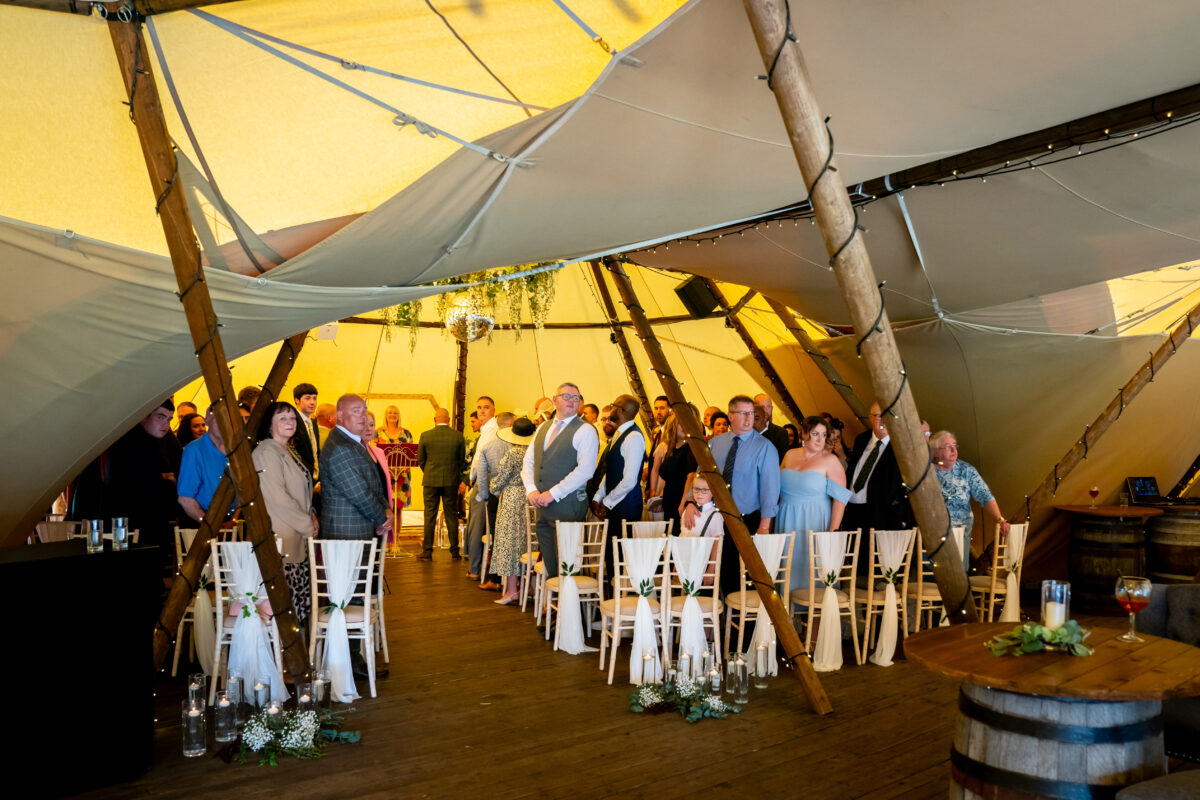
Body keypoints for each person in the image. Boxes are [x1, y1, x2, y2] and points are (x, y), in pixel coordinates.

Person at [689, 395, 779, 595]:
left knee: (736, 580)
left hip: (744, 520)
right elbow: (700, 475)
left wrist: (764, 526)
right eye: (743, 413)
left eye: (751, 414)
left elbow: (770, 490)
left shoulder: (764, 447)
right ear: (730, 416)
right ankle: (709, 622)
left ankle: (737, 623)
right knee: (705, 574)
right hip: (713, 517)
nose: (748, 418)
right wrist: (690, 502)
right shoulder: (715, 443)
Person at [522, 383, 599, 580]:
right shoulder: (543, 428)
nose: (572, 401)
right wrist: (531, 490)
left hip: (568, 505)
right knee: (550, 559)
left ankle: (569, 605)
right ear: (554, 400)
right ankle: (555, 599)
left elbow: (585, 470)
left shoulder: (585, 430)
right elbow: (529, 461)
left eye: (576, 397)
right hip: (542, 506)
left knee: (568, 562)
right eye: (566, 396)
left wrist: (553, 493)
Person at [252, 401, 317, 629]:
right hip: (281, 539)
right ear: (269, 424)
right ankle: (285, 660)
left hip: (296, 536)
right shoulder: (266, 452)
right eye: (282, 418)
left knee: (298, 607)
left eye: (292, 418)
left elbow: (301, 492)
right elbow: (278, 498)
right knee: (284, 610)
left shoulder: (288, 449)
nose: (290, 422)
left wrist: (313, 514)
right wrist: (307, 524)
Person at [777, 416, 852, 591]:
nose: (820, 439)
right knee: (788, 570)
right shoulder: (789, 455)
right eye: (815, 434)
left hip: (815, 521)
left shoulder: (830, 460)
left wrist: (832, 531)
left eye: (824, 435)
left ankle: (813, 616)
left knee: (812, 573)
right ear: (804, 434)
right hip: (786, 518)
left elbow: (840, 499)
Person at [930, 430, 1010, 567]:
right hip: (933, 533)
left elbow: (985, 495)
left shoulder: (966, 470)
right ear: (935, 451)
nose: (954, 451)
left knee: (958, 572)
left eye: (955, 446)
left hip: (961, 534)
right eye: (948, 447)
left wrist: (999, 518)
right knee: (931, 575)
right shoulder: (927, 471)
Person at [319, 394, 393, 540]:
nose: (363, 416)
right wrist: (383, 518)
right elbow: (359, 494)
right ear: (339, 415)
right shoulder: (340, 446)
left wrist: (386, 509)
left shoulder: (352, 442)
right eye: (356, 411)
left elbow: (373, 484)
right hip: (346, 531)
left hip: (356, 529)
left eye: (364, 411)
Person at [591, 395, 646, 575]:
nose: (610, 408)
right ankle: (612, 598)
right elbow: (612, 470)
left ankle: (622, 599)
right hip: (614, 502)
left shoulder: (634, 437)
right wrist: (598, 496)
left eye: (614, 405)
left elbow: (630, 480)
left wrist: (607, 501)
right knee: (611, 553)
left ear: (621, 410)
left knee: (621, 556)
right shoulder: (619, 434)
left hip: (626, 505)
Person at [841, 402, 913, 537]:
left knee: (877, 558)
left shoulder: (901, 447)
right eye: (879, 416)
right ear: (870, 417)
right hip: (852, 511)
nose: (884, 420)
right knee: (854, 556)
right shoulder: (861, 439)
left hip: (881, 516)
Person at [489, 417, 536, 605]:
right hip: (530, 496)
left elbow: (501, 480)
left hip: (511, 499)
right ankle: (529, 586)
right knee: (527, 541)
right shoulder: (534, 452)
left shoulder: (513, 454)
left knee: (509, 542)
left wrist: (493, 487)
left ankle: (511, 591)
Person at [417, 408, 465, 561]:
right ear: (449, 419)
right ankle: (455, 550)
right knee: (451, 514)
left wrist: (430, 471)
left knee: (429, 514)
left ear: (434, 419)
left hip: (431, 480)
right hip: (451, 480)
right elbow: (461, 460)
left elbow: (421, 460)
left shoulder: (425, 436)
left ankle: (427, 550)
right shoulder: (457, 436)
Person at [470, 409, 512, 586]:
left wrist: (485, 496)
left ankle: (496, 579)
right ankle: (515, 581)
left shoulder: (489, 445)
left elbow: (481, 474)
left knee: (497, 537)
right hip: (516, 497)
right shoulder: (519, 447)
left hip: (496, 495)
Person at [177, 404, 229, 524]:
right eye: (218, 419)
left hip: (232, 522)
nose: (224, 423)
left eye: (228, 419)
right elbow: (185, 498)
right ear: (207, 421)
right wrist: (209, 524)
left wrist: (235, 519)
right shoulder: (194, 450)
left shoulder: (237, 448)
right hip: (202, 520)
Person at [649, 412, 697, 533]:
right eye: (681, 424)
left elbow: (691, 476)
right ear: (673, 426)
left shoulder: (691, 447)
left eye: (688, 424)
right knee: (669, 535)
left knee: (676, 536)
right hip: (669, 499)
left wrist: (684, 502)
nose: (685, 427)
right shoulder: (672, 448)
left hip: (680, 499)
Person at [376, 405, 414, 509]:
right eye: (390, 413)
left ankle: (398, 527)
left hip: (402, 476)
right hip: (384, 475)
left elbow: (411, 455)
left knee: (399, 509)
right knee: (386, 509)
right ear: (386, 415)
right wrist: (387, 472)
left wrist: (401, 470)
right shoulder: (378, 433)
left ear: (399, 416)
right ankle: (389, 527)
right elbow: (373, 455)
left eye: (395, 413)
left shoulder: (406, 433)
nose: (392, 415)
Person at [291, 382, 321, 479]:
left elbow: (316, 452)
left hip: (315, 476)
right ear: (297, 400)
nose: (312, 402)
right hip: (299, 476)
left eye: (314, 398)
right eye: (307, 398)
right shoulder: (292, 421)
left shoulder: (314, 423)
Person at [753, 393, 790, 462]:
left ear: (772, 408)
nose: (765, 410)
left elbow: (783, 463)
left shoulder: (781, 433)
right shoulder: (745, 431)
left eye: (769, 406)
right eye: (762, 406)